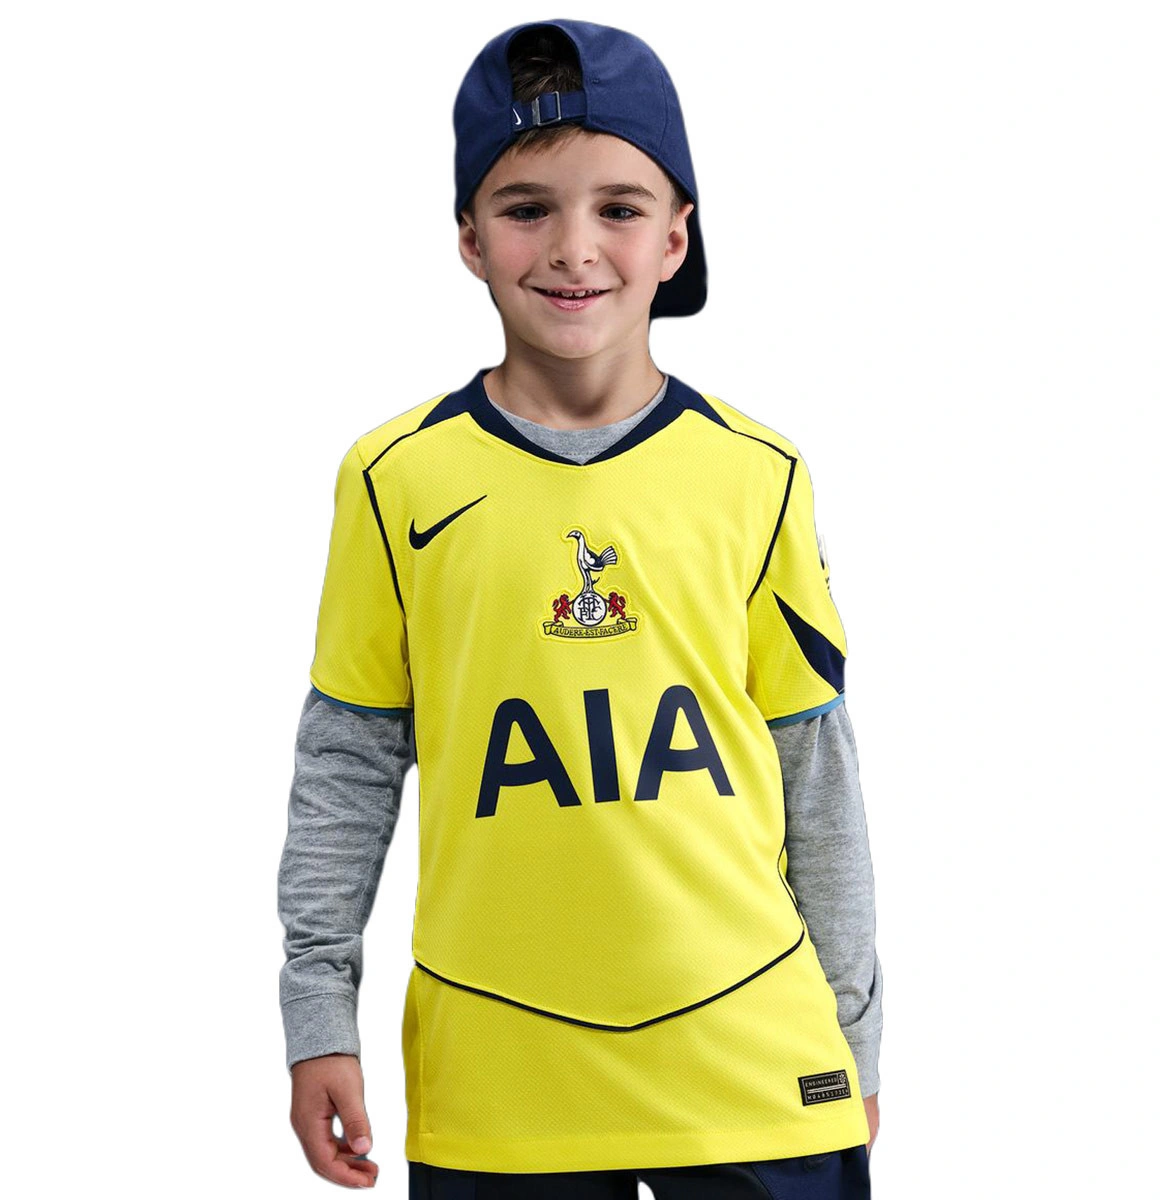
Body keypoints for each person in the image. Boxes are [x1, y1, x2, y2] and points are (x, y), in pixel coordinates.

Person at [277, 18, 882, 1198]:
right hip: (500, 1079)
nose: (572, 248)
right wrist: (318, 1019)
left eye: (618, 207)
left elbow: (815, 766)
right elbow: (346, 763)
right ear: (468, 235)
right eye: (525, 208)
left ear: (675, 236)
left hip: (753, 1059)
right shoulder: (394, 479)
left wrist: (855, 1031)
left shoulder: (759, 473)